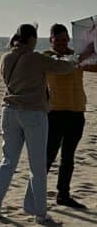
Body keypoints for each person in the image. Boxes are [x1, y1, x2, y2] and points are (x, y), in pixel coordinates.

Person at [0, 24, 77, 223]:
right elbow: (64, 67)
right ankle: (40, 213)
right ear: (32, 39)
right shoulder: (35, 58)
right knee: (37, 166)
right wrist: (78, 58)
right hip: (33, 113)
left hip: (9, 111)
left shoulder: (6, 57)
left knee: (7, 162)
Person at [44, 23, 97, 209]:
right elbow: (64, 65)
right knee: (48, 156)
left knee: (68, 157)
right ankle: (35, 193)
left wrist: (94, 46)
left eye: (65, 39)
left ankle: (63, 194)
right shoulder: (47, 57)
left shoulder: (77, 56)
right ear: (51, 40)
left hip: (77, 112)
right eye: (58, 40)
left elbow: (94, 67)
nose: (62, 43)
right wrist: (84, 54)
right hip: (56, 112)